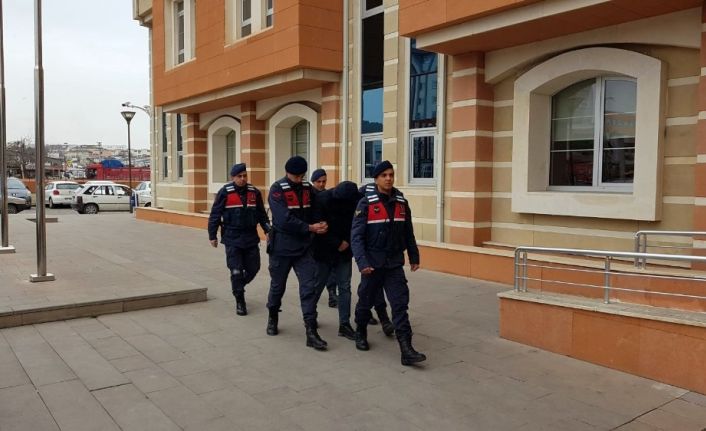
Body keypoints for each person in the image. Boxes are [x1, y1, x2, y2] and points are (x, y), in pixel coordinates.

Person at [351, 160, 426, 366]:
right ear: (376, 178)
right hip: (372, 263)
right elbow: (356, 237)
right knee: (365, 301)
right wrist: (362, 262)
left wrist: (414, 256)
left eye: (391, 174)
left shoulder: (401, 202)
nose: (388, 178)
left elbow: (408, 231)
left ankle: (406, 349)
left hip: (393, 263)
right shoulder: (365, 203)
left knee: (400, 304)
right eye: (384, 175)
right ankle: (360, 331)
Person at [266, 155, 329, 350]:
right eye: (295, 176)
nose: (298, 180)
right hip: (282, 248)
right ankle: (272, 316)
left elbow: (317, 209)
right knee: (278, 287)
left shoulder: (308, 189)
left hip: (303, 248)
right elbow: (284, 219)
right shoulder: (277, 190)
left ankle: (311, 331)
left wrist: (322, 224)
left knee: (309, 288)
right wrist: (311, 228)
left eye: (301, 176)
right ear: (287, 173)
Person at [208, 163, 271, 316]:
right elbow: (215, 215)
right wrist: (212, 235)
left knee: (254, 268)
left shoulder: (254, 193)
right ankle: (240, 300)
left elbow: (262, 215)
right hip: (232, 237)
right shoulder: (224, 192)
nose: (243, 179)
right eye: (239, 176)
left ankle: (238, 286)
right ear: (233, 177)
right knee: (236, 270)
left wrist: (268, 230)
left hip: (250, 237)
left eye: (245, 176)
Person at [311, 181, 361, 340]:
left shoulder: (356, 199)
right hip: (324, 251)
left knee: (345, 287)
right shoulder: (322, 200)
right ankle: (310, 317)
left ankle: (344, 324)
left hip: (345, 251)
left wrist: (346, 241)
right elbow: (320, 228)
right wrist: (337, 243)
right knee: (317, 286)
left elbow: (356, 224)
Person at [310, 168, 338, 308]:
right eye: (318, 181)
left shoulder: (328, 195)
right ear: (313, 181)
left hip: (327, 236)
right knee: (318, 271)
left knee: (331, 266)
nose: (321, 184)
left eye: (324, 181)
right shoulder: (309, 195)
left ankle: (332, 293)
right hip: (313, 238)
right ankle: (311, 298)